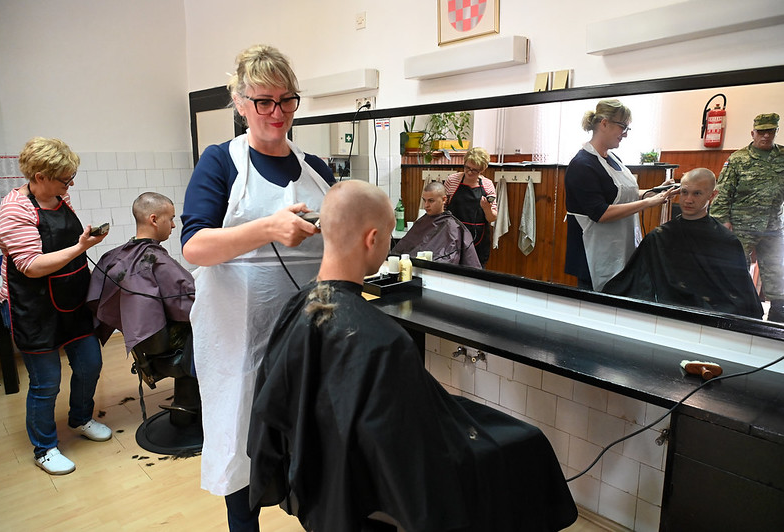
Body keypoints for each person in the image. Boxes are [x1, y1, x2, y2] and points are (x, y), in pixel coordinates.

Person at [248, 180, 578, 532]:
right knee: (528, 442)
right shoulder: (384, 342)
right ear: (373, 239)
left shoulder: (296, 308)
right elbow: (414, 470)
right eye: (389, 237)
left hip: (321, 483)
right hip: (374, 492)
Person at [180, 44, 335, 531]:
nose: (277, 112)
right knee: (240, 449)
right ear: (240, 102)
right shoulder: (220, 163)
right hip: (238, 339)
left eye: (286, 100)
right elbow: (194, 247)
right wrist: (268, 228)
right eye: (263, 101)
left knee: (311, 447)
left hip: (306, 336)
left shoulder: (317, 169)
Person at [0, 137, 112, 475]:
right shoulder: (15, 209)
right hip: (33, 308)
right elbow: (31, 266)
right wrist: (80, 248)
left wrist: (82, 244)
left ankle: (80, 418)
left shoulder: (60, 198)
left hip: (71, 299)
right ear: (40, 176)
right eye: (64, 178)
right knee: (46, 382)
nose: (69, 185)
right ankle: (44, 448)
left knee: (89, 364)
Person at [603, 169, 763, 318]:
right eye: (684, 192)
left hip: (707, 317)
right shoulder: (659, 237)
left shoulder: (726, 241)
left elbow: (740, 296)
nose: (688, 200)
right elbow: (634, 282)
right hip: (665, 313)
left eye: (697, 194)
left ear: (712, 195)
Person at [564, 99, 677, 292]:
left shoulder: (613, 159)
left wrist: (656, 191)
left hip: (619, 250)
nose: (625, 134)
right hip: (592, 256)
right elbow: (600, 213)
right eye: (622, 127)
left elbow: (623, 194)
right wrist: (647, 203)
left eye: (627, 128)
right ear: (604, 123)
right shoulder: (582, 165)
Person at [86, 192, 195, 353]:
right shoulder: (156, 260)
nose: (173, 225)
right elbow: (190, 305)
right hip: (163, 339)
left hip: (139, 337)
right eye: (171, 219)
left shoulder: (113, 257)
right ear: (154, 220)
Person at [710, 113, 784, 322]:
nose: (766, 135)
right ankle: (736, 312)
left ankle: (778, 314)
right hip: (741, 226)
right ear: (753, 133)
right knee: (734, 270)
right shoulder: (738, 159)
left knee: (776, 270)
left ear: (776, 132)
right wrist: (723, 222)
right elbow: (722, 193)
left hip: (773, 226)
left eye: (770, 131)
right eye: (761, 131)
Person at [391, 181, 481, 267]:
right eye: (424, 200)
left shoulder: (454, 227)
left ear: (444, 200)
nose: (426, 205)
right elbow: (399, 251)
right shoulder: (421, 222)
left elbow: (469, 264)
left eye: (431, 201)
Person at [444, 147, 497, 267]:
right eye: (467, 167)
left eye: (474, 170)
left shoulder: (488, 185)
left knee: (476, 273)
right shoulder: (452, 181)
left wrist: (487, 208)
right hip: (453, 236)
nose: (469, 172)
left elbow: (492, 218)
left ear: (482, 170)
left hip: (478, 240)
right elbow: (443, 208)